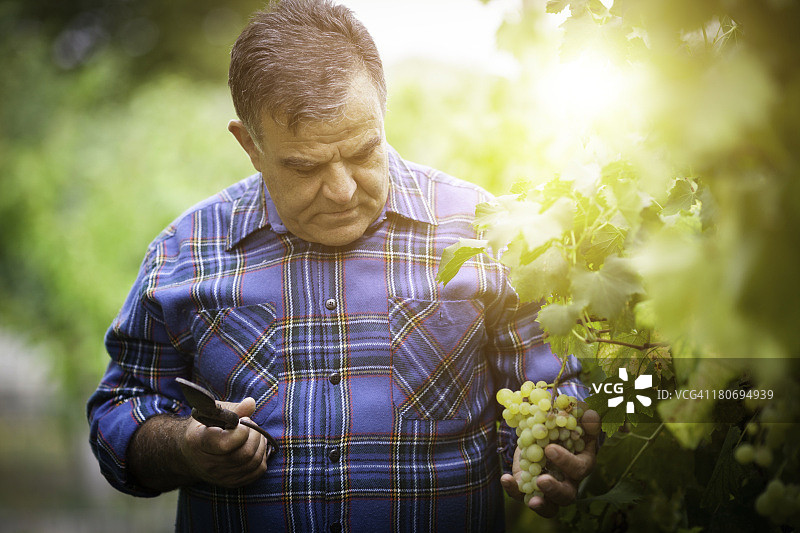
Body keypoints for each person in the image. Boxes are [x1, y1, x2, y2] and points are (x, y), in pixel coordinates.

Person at [87, 0, 599, 531]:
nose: (342, 190)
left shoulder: (486, 232)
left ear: (383, 112)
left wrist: (561, 446)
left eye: (362, 152)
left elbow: (556, 386)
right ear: (250, 145)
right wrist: (184, 448)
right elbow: (115, 415)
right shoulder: (185, 251)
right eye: (304, 166)